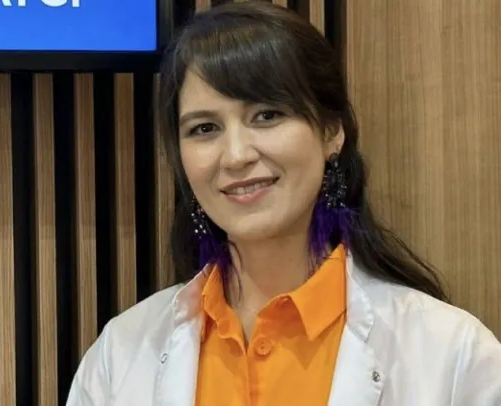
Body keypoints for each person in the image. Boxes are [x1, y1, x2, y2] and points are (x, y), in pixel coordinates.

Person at [66, 1, 501, 405]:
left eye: (267, 115)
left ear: (331, 131)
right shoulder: (121, 354)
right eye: (204, 129)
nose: (236, 155)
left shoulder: (453, 354)